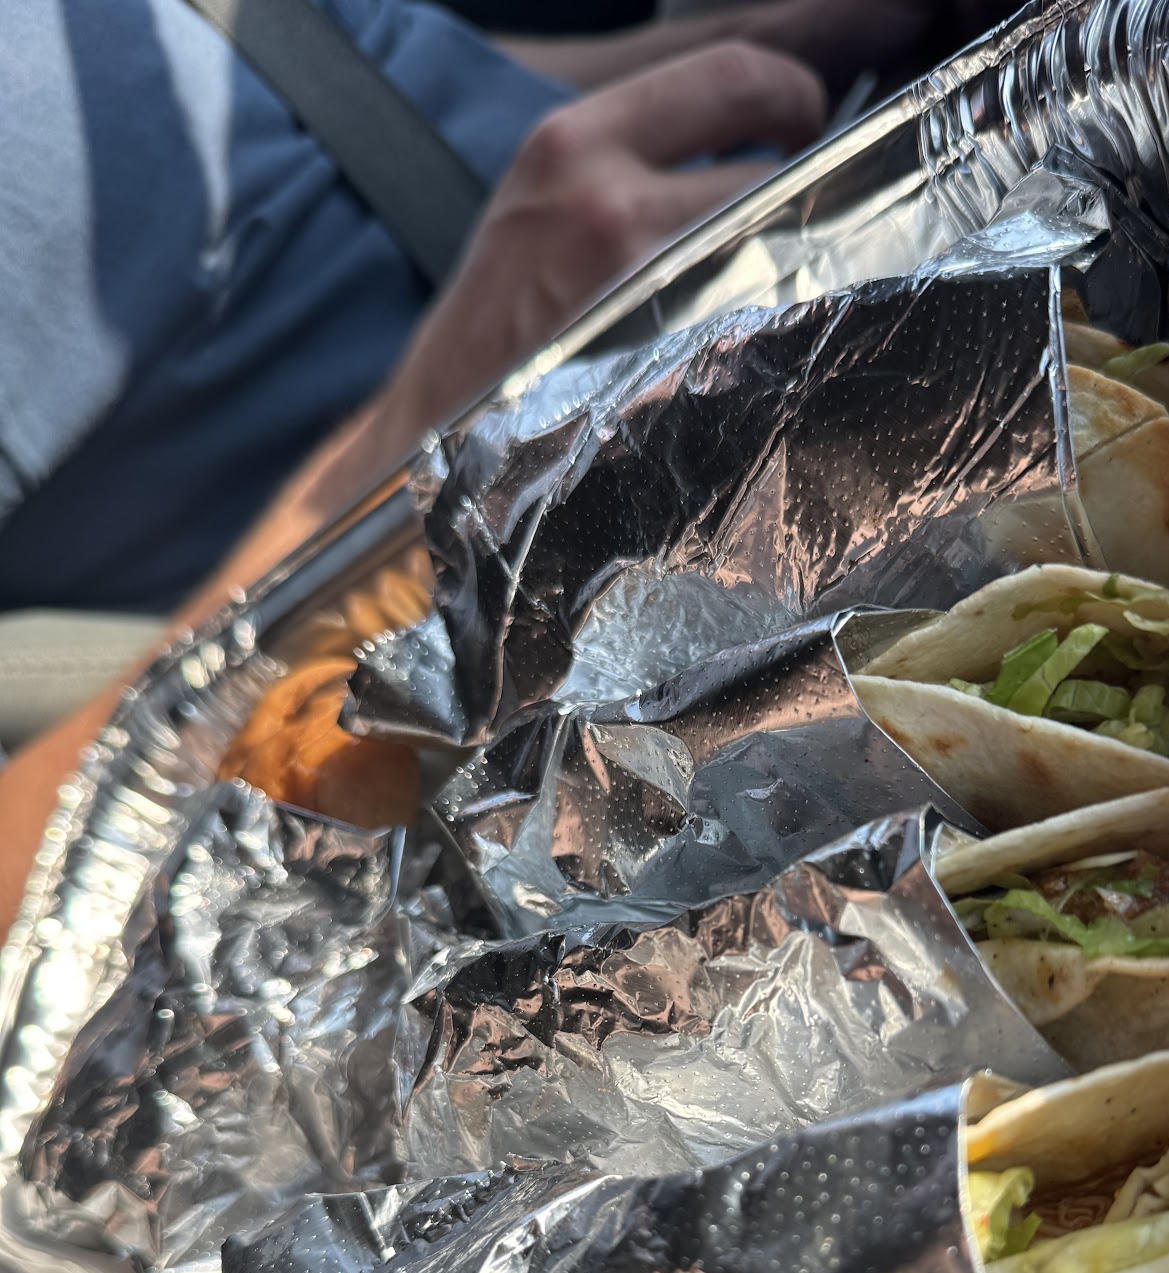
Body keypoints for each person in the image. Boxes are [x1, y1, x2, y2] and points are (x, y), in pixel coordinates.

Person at [0, 0, 946, 933]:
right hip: (633, 501)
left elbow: (317, 75)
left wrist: (763, 43)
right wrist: (421, 436)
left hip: (720, 201)